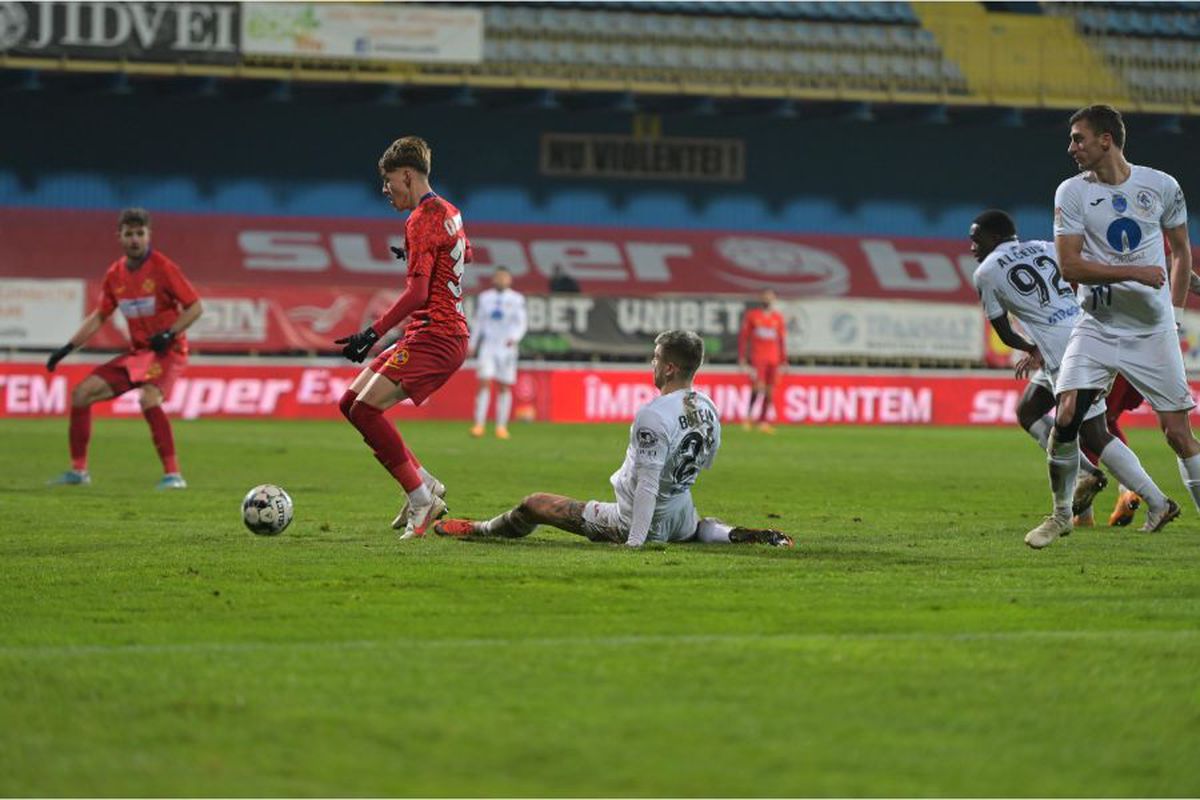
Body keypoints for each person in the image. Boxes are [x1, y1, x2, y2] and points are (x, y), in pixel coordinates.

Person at [434, 330, 794, 548]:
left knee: (535, 504)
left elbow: (647, 485)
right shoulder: (708, 406)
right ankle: (728, 534)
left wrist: (635, 542)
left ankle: (481, 530)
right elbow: (708, 459)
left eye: (656, 358)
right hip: (683, 514)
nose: (652, 364)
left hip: (640, 519)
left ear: (669, 367)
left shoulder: (654, 414)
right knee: (694, 528)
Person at [1026, 104, 1195, 549]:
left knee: (1178, 435)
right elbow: (1069, 266)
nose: (1071, 148)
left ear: (1106, 140)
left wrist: (1174, 317)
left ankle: (1164, 505)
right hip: (1097, 325)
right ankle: (1062, 515)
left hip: (1152, 331)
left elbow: (1181, 252)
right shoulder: (1071, 192)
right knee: (1066, 416)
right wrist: (1134, 273)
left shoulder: (1161, 186)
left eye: (1078, 138)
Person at [968, 208, 1171, 537]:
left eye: (976, 240)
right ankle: (1088, 473)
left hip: (1066, 350)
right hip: (1083, 332)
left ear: (994, 237)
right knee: (1029, 410)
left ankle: (1157, 502)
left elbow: (1004, 333)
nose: (972, 247)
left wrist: (1030, 347)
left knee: (1095, 433)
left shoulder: (986, 272)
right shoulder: (1046, 246)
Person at [334, 136, 470, 539]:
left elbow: (418, 294)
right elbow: (463, 254)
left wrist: (371, 333)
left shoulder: (421, 219)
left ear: (407, 175)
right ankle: (425, 484)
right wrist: (415, 254)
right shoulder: (449, 210)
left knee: (365, 411)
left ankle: (420, 498)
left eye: (388, 180)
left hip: (437, 333)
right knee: (349, 403)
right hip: (434, 330)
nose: (384, 189)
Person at [45, 207, 203, 489]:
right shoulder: (115, 275)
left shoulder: (164, 268)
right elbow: (100, 316)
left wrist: (170, 333)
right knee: (81, 394)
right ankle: (78, 472)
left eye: (140, 233)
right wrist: (67, 348)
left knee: (148, 399)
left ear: (149, 235)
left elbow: (195, 307)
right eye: (129, 234)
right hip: (139, 354)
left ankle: (174, 476)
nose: (135, 240)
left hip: (168, 351)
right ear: (119, 236)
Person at [469, 266, 527, 439]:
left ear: (509, 280)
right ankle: (479, 424)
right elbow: (479, 322)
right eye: (498, 277)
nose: (501, 280)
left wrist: (514, 338)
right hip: (488, 346)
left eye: (504, 277)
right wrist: (473, 343)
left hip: (507, 347)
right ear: (494, 279)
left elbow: (521, 323)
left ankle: (501, 426)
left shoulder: (517, 299)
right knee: (484, 382)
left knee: (504, 386)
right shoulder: (485, 297)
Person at [738, 289, 788, 433]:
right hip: (758, 358)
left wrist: (784, 359)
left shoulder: (778, 318)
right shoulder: (753, 316)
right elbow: (744, 338)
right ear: (761, 298)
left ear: (774, 299)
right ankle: (748, 417)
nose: (768, 299)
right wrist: (743, 358)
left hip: (774, 359)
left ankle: (763, 421)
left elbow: (781, 340)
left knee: (770, 391)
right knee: (757, 387)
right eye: (765, 296)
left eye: (770, 297)